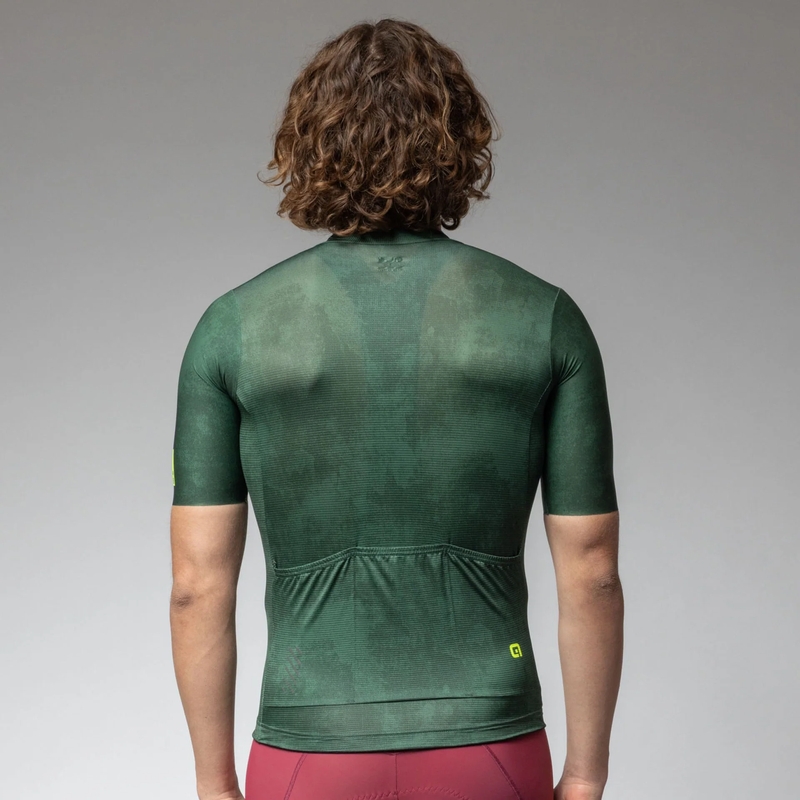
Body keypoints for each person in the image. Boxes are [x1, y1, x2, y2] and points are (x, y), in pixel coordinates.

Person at [169, 17, 623, 800]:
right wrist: (584, 775)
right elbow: (593, 572)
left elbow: (195, 585)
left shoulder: (232, 329)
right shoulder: (545, 318)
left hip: (308, 751)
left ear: (309, 143)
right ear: (459, 140)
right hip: (492, 741)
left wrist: (215, 785)